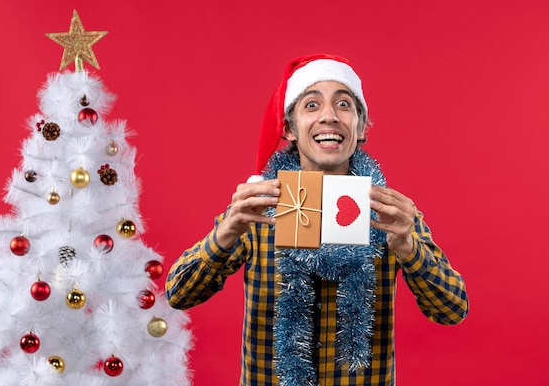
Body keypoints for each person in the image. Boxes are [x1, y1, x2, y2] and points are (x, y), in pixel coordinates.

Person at [165, 54, 469, 386]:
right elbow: (179, 293)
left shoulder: (390, 213)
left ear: (361, 128)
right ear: (289, 129)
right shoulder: (259, 206)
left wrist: (409, 248)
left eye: (343, 104)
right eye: (311, 105)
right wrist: (226, 233)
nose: (329, 116)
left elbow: (451, 310)